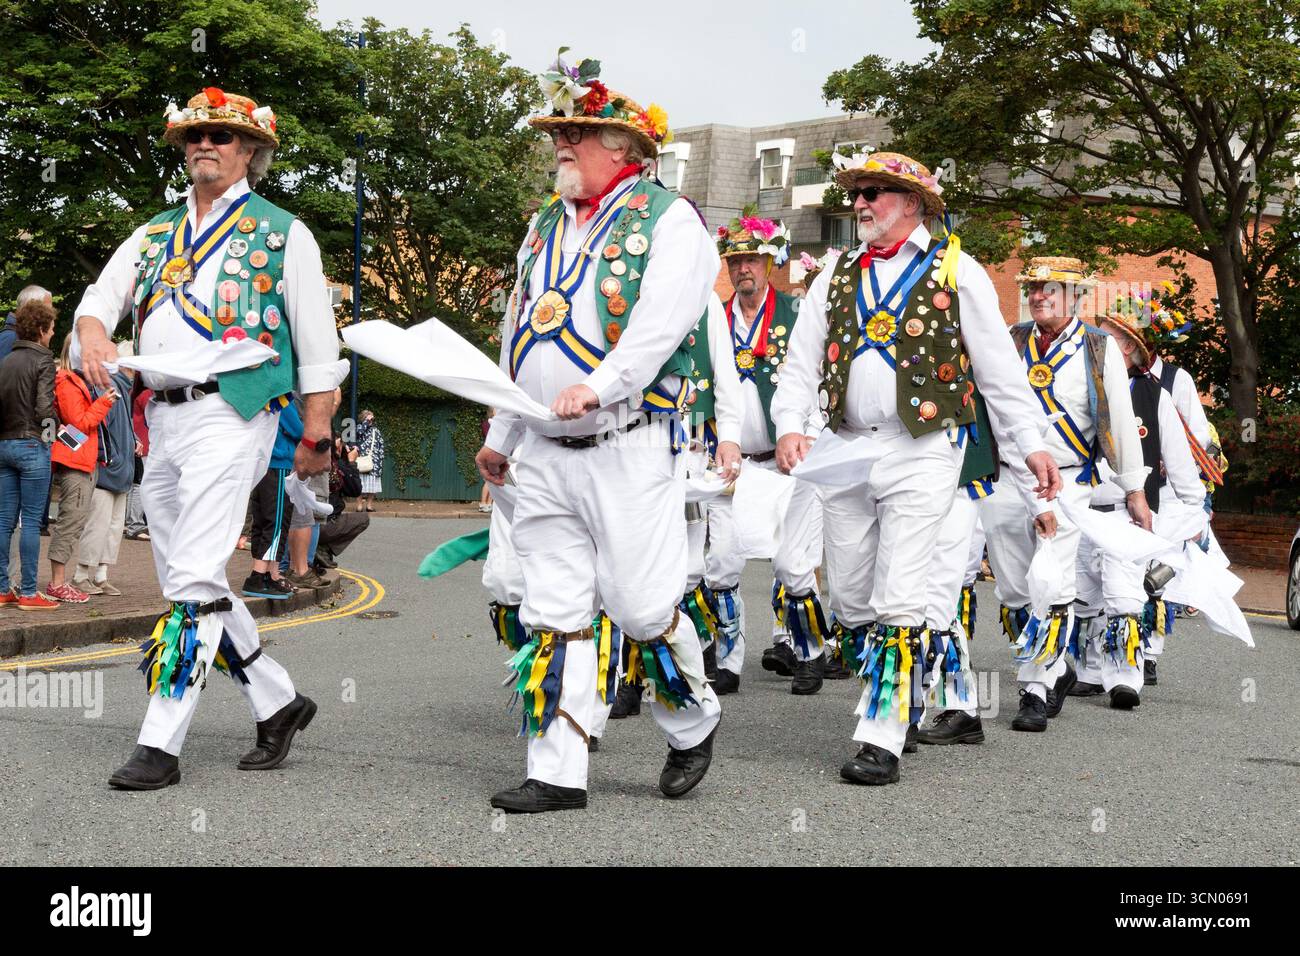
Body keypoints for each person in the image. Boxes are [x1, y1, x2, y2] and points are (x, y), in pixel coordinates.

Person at [475, 51, 721, 812]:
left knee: (644, 608)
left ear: (627, 150)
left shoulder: (672, 221)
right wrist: (503, 432)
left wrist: (603, 384)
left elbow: (659, 328)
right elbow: (519, 332)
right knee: (552, 610)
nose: (561, 143)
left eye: (578, 132)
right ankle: (557, 771)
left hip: (630, 443)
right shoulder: (543, 225)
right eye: (558, 131)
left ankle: (692, 720)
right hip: (545, 450)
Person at [73, 86, 338, 789]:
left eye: (220, 135)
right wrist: (95, 329)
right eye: (195, 135)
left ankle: (159, 744)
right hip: (160, 417)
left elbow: (317, 344)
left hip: (234, 413)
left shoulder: (285, 233)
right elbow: (100, 298)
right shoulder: (154, 233)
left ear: (250, 150)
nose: (205, 145)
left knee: (191, 579)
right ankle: (277, 701)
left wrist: (317, 431)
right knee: (186, 582)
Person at [771, 151, 1060, 785]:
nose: (861, 203)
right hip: (845, 450)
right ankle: (897, 694)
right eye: (859, 193)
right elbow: (800, 363)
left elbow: (1000, 375)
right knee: (850, 600)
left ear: (912, 202)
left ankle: (882, 735)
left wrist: (1030, 445)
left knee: (901, 595)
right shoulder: (836, 274)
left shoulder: (960, 272)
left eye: (875, 192)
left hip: (924, 449)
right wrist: (792, 424)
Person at [980, 256, 1148, 733]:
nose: (1039, 296)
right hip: (1009, 479)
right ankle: (1057, 667)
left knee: (1051, 583)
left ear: (1076, 297)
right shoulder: (1010, 341)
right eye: (1033, 288)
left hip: (1069, 482)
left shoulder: (1098, 348)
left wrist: (1133, 488)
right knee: (1014, 589)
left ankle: (1034, 689)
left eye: (1051, 289)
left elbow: (1117, 417)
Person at [708, 210, 835, 695]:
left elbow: (818, 385)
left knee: (792, 565)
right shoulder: (714, 322)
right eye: (736, 259)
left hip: (789, 464)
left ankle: (808, 653)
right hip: (731, 463)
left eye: (753, 260)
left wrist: (810, 437)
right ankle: (726, 661)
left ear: (771, 263)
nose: (744, 268)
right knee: (721, 563)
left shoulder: (798, 317)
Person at [1068, 293, 1207, 705]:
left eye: (1107, 336)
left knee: (1123, 592)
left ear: (1128, 348)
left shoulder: (1154, 396)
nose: (1095, 340)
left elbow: (1181, 461)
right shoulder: (1080, 388)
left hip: (1127, 513)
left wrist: (1194, 509)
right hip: (1079, 508)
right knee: (1082, 593)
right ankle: (1090, 670)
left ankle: (1124, 677)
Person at [47, 333, 117, 603]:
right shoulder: (67, 382)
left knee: (75, 522)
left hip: (84, 460)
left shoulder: (78, 381)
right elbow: (80, 423)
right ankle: (57, 583)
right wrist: (104, 403)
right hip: (75, 463)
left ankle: (59, 581)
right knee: (70, 522)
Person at [0, 299, 60, 610]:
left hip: (4, 443)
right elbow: (43, 409)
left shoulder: (6, 360)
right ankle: (27, 592)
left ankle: (1, 589)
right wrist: (51, 434)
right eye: (50, 329)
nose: (52, 334)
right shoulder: (44, 360)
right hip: (32, 443)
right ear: (40, 329)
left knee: (3, 521)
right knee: (33, 521)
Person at [72, 355, 136, 597]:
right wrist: (108, 457)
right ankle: (81, 574)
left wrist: (132, 442)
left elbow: (120, 427)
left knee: (113, 526)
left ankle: (100, 575)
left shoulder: (121, 388)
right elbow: (99, 425)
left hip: (119, 468)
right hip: (110, 468)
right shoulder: (110, 386)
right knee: (98, 525)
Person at [241, 398, 301, 599]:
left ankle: (267, 575)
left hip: (259, 463)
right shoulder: (281, 398)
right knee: (276, 523)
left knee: (261, 520)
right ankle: (257, 576)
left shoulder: (256, 395)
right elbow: (298, 430)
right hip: (279, 463)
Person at [1, 286, 53, 365]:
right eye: (46, 309)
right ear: (30, 308)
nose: (50, 314)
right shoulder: (10, 337)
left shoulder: (20, 335)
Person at [355, 409, 384, 512]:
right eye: (369, 417)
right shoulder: (359, 427)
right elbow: (359, 433)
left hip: (374, 462)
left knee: (373, 485)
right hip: (362, 460)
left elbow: (381, 445)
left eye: (372, 418)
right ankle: (359, 505)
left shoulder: (376, 430)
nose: (372, 420)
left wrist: (380, 460)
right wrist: (366, 422)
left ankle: (369, 505)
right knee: (359, 483)